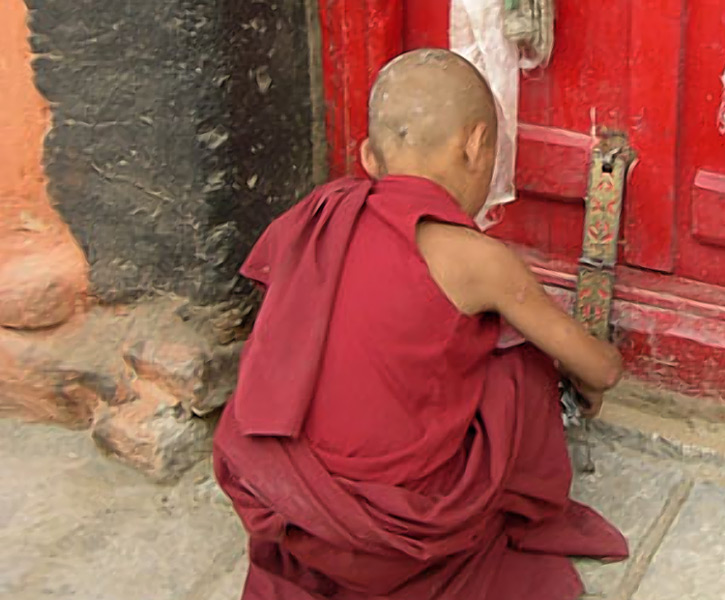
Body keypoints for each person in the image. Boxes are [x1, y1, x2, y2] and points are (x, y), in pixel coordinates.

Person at [211, 48, 629, 600]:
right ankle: (512, 503)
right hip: (394, 547)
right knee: (517, 359)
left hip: (289, 510)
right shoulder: (477, 260)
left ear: (368, 157)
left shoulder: (320, 214)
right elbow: (602, 367)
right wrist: (586, 386)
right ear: (477, 146)